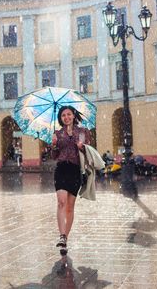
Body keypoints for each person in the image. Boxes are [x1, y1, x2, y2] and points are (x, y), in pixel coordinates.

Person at [51, 105, 91, 255]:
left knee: (70, 207)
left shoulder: (82, 132)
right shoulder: (57, 133)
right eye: (63, 116)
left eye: (68, 114)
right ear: (60, 119)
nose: (66, 117)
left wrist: (82, 147)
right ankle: (61, 236)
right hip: (61, 169)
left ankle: (65, 238)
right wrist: (54, 145)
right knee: (61, 202)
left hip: (75, 170)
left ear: (73, 115)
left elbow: (88, 152)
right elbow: (54, 156)